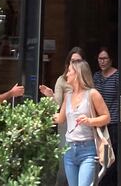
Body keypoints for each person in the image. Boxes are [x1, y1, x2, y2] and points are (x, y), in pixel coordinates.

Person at [54, 58, 110, 186]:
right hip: (69, 150)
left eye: (69, 71)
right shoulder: (68, 97)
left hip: (88, 150)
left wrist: (89, 121)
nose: (66, 74)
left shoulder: (92, 94)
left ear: (77, 74)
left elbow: (106, 117)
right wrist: (40, 115)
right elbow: (60, 118)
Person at [40, 48, 85, 186]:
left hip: (83, 125)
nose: (75, 64)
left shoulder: (86, 81)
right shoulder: (62, 80)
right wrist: (50, 95)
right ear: (68, 63)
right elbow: (58, 105)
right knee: (64, 164)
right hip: (66, 124)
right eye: (73, 61)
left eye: (78, 61)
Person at [92, 48, 119, 186]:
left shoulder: (117, 76)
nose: (102, 61)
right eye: (99, 59)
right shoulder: (96, 76)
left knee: (111, 157)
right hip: (98, 123)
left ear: (111, 60)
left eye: (105, 58)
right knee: (100, 156)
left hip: (113, 123)